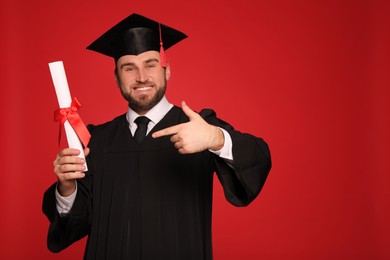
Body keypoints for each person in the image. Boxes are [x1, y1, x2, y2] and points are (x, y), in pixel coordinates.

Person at [42, 13, 272, 260]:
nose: (141, 77)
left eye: (150, 64)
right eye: (129, 68)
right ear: (117, 78)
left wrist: (217, 139)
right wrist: (67, 188)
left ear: (167, 70)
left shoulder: (198, 127)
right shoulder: (96, 141)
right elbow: (76, 224)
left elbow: (259, 156)